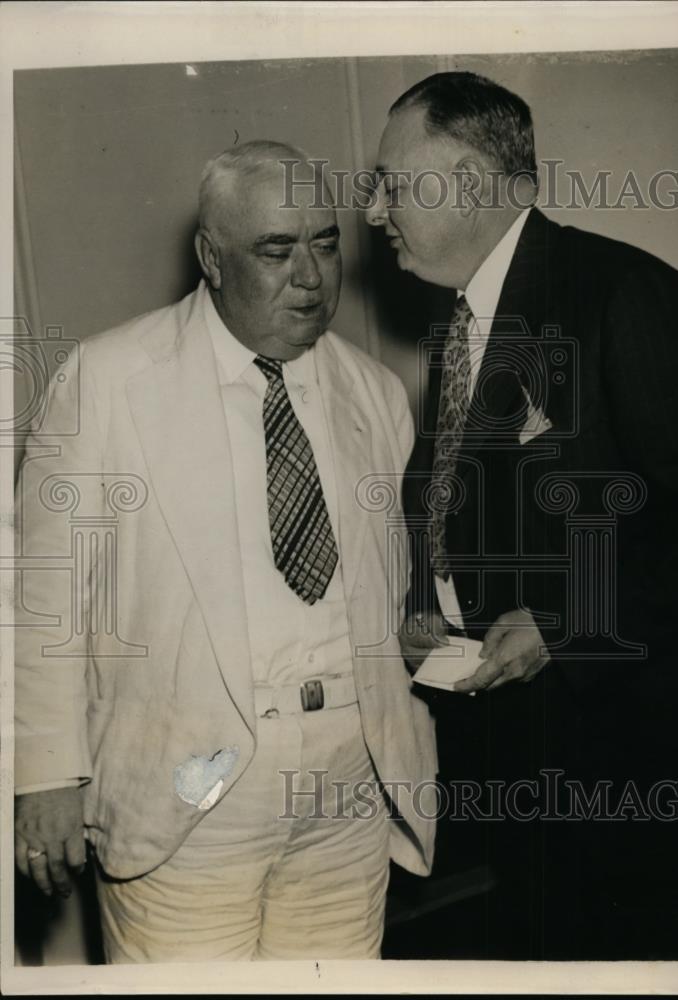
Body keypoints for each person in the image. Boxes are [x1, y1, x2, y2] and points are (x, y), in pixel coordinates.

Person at [14, 140, 437, 963]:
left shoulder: (374, 393)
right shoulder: (107, 379)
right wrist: (43, 774)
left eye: (324, 242)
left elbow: (384, 586)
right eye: (276, 250)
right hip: (190, 792)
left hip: (349, 784)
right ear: (211, 257)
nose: (311, 276)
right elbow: (42, 597)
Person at [366, 72, 678, 960]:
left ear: (474, 180)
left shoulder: (628, 295)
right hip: (515, 743)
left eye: (393, 183)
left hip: (624, 761)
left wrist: (565, 621)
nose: (375, 212)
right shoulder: (458, 325)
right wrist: (429, 598)